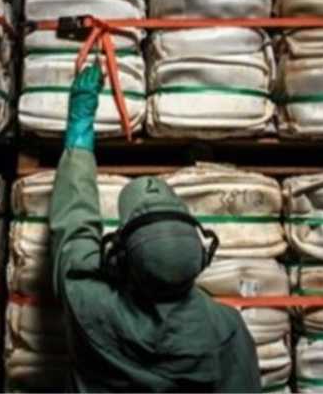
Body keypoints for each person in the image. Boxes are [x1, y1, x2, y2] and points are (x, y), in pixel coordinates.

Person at [49, 62, 262, 392]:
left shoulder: (89, 306)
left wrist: (80, 129)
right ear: (200, 256)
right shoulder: (225, 329)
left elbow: (74, 225)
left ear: (119, 259)